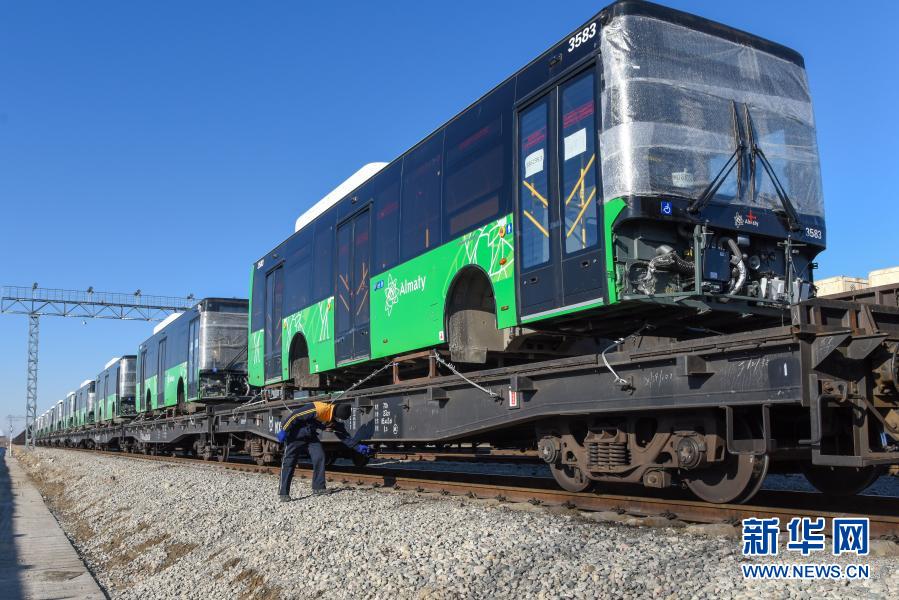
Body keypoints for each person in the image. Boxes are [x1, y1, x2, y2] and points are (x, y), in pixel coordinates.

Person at [277, 401, 371, 501]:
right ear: (335, 414)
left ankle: (318, 488)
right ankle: (283, 493)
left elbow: (344, 436)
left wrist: (358, 447)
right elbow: (295, 415)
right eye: (337, 418)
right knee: (289, 462)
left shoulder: (335, 420)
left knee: (319, 456)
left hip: (310, 436)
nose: (337, 421)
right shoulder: (319, 408)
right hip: (295, 435)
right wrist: (284, 430)